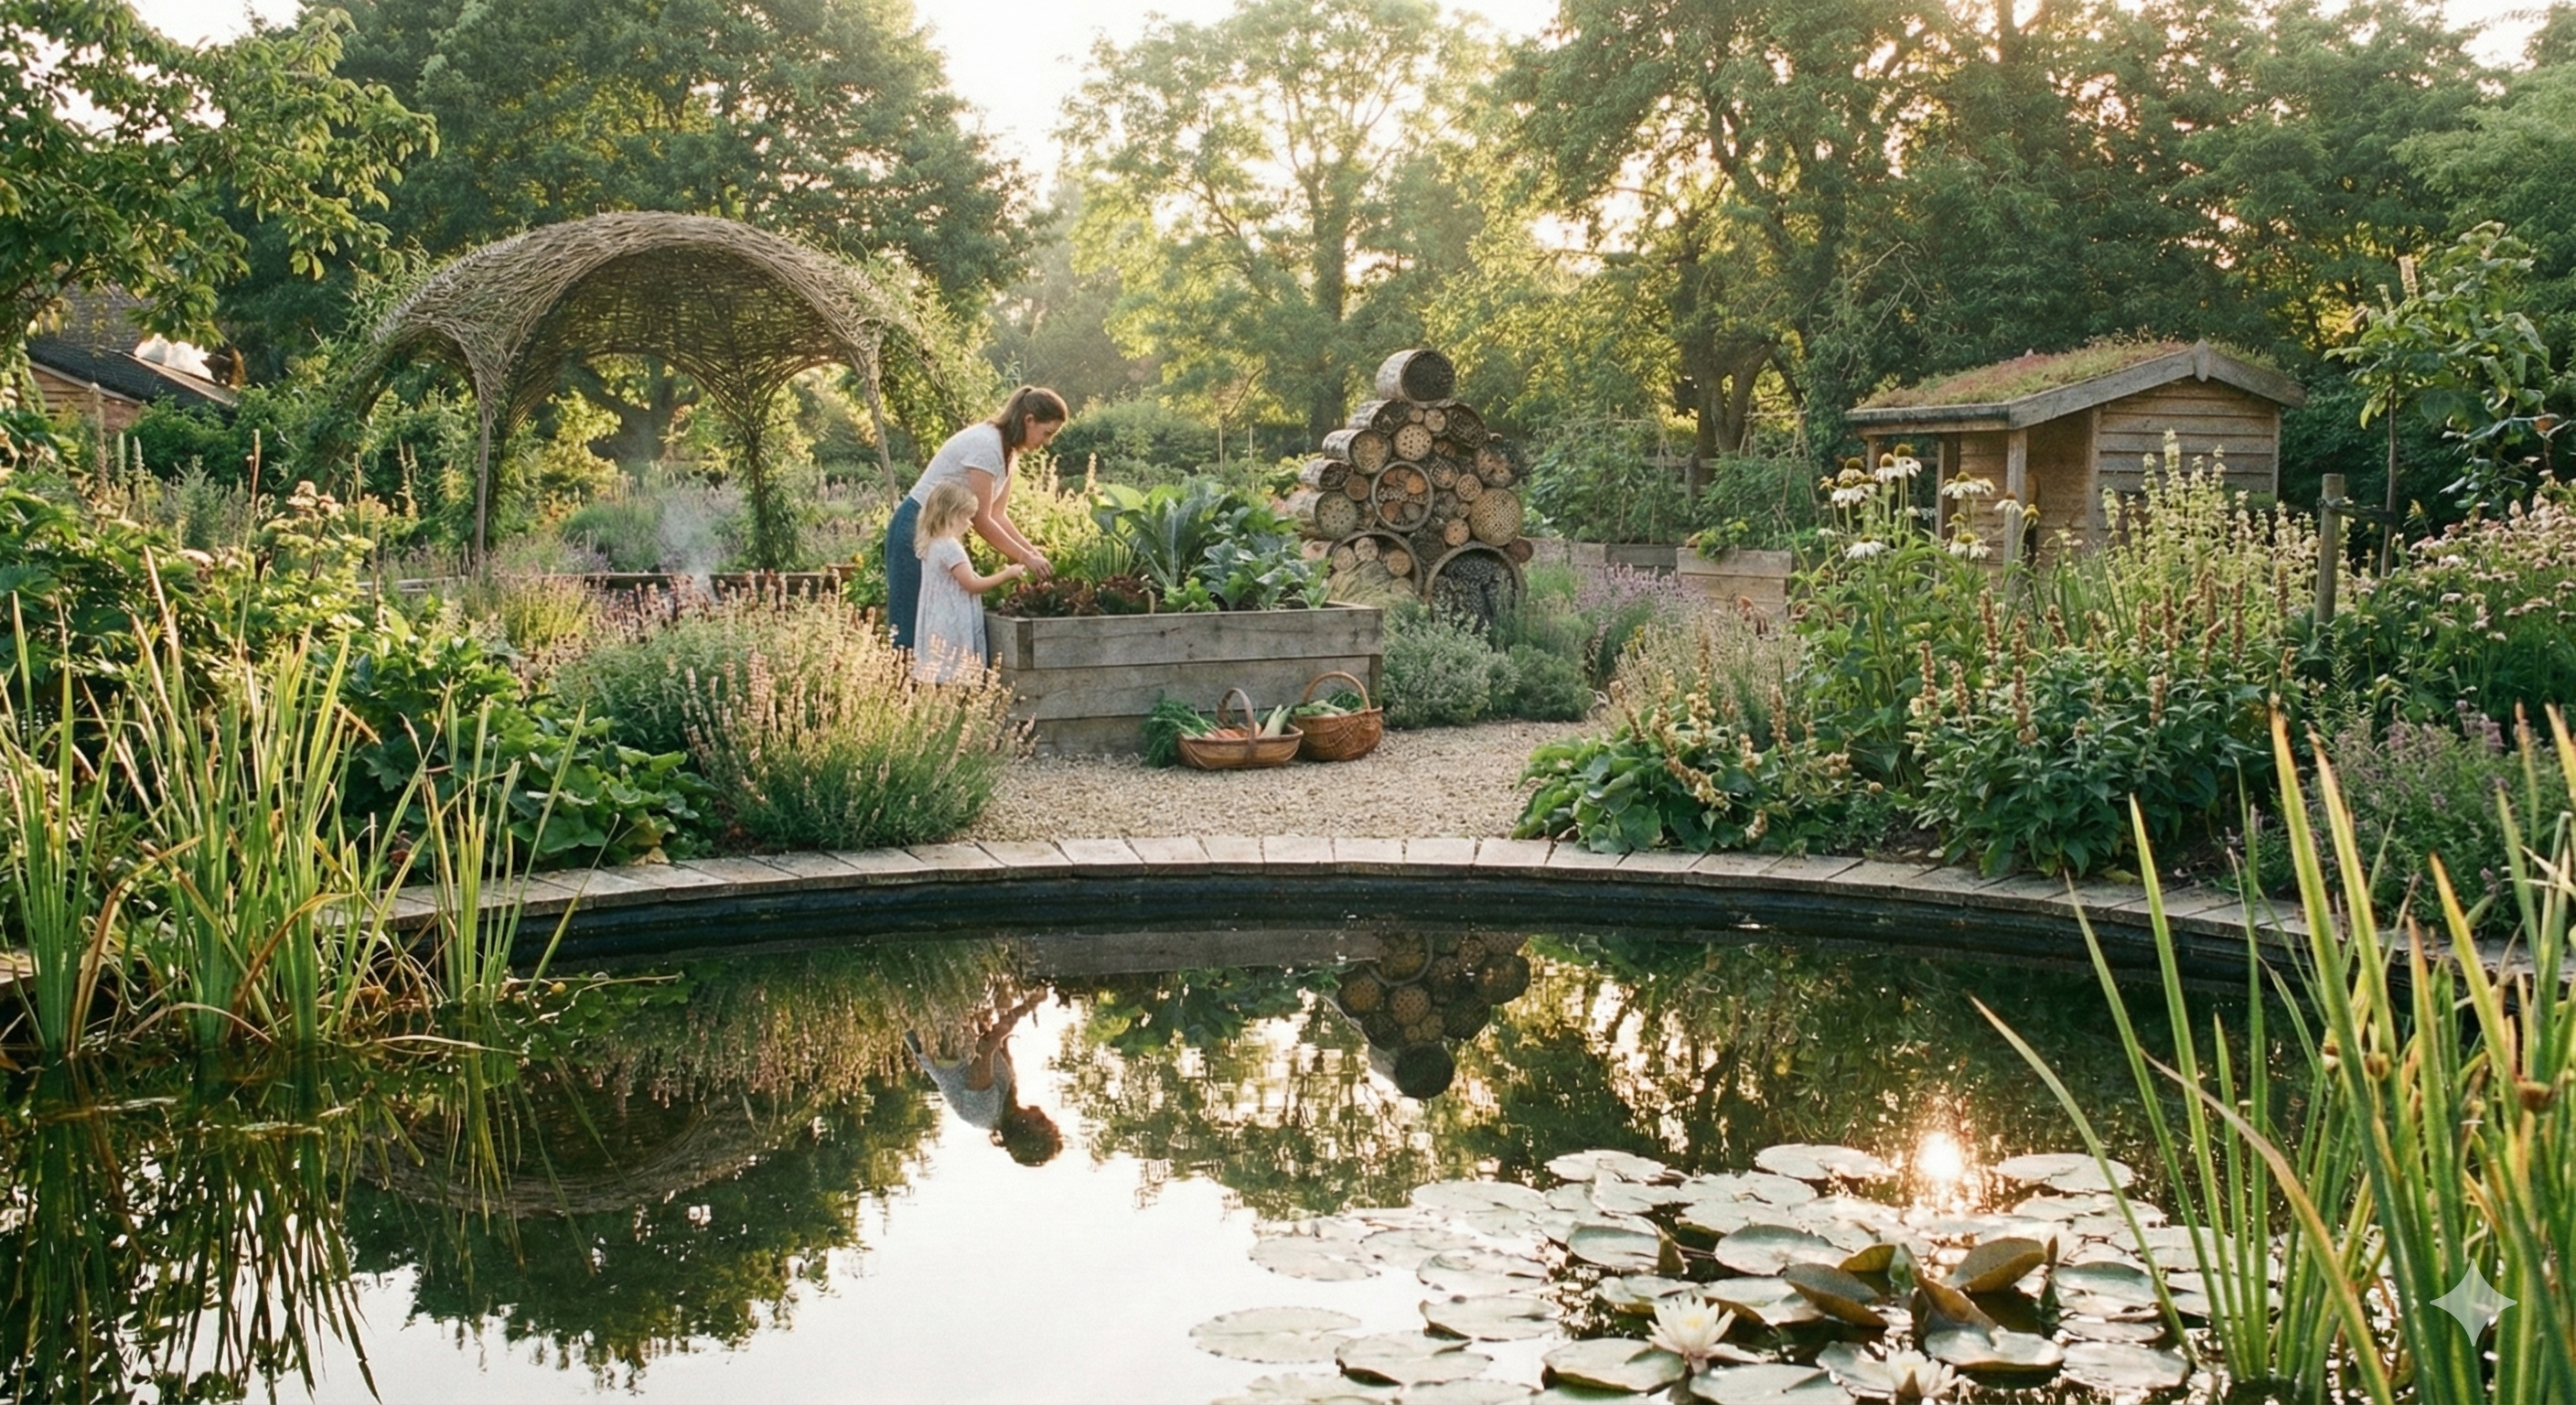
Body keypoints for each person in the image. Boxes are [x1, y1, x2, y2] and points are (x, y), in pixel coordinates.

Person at [885, 385, 1068, 650]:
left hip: (939, 531)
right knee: (909, 629)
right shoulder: (986, 446)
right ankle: (899, 690)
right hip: (915, 528)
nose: (1047, 442)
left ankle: (929, 690)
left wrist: (1033, 553)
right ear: (1029, 420)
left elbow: (998, 515)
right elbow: (982, 520)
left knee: (934, 627)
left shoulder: (1008, 453)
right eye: (1047, 433)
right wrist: (1024, 558)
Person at [906, 989, 1064, 1166]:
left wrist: (1018, 1012)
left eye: (1041, 1121)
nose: (1043, 1114)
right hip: (950, 1024)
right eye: (1048, 1120)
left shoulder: (983, 1113)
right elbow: (995, 1034)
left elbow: (983, 1049)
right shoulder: (1009, 1096)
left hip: (930, 1030)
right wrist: (1029, 1005)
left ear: (1022, 1130)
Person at [911, 480, 1025, 682]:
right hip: (952, 620)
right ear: (952, 515)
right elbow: (971, 585)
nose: (970, 524)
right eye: (967, 517)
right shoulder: (950, 547)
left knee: (940, 673)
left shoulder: (933, 544)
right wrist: (1007, 574)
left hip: (937, 618)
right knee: (955, 673)